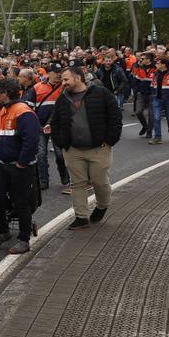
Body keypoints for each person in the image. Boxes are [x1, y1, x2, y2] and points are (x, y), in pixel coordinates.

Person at [49, 65, 121, 229]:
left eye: (66, 79)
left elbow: (115, 117)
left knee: (99, 182)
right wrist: (62, 142)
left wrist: (109, 140)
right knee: (77, 184)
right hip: (73, 150)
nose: (63, 83)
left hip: (98, 148)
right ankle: (81, 217)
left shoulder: (101, 93)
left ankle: (102, 205)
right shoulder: (63, 98)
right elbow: (56, 121)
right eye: (62, 80)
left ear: (78, 77)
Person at [0, 79, 40, 255]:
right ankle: (3, 232)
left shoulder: (23, 112)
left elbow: (31, 140)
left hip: (20, 167)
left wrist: (22, 162)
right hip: (3, 164)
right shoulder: (5, 109)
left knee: (21, 202)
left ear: (5, 93)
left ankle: (24, 239)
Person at [32, 64, 70, 192]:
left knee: (60, 155)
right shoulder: (37, 88)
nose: (59, 74)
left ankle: (65, 177)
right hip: (40, 126)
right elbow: (30, 107)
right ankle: (43, 180)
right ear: (48, 73)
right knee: (41, 155)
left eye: (60, 72)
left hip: (58, 126)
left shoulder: (65, 88)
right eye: (55, 72)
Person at [149, 55, 169, 144]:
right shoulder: (155, 74)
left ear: (164, 65)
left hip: (168, 100)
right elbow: (152, 86)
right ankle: (158, 137)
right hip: (157, 99)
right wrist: (153, 95)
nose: (156, 65)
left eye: (158, 63)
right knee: (156, 118)